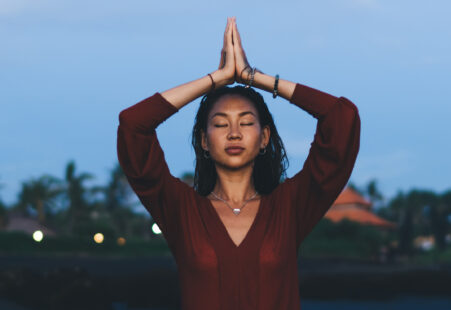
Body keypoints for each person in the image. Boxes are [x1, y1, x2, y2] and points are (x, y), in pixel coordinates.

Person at [117, 16, 360, 310]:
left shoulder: (289, 208)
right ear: (204, 141)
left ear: (264, 137)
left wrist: (253, 77)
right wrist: (215, 80)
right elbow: (133, 125)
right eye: (220, 124)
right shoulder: (182, 211)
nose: (234, 133)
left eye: (245, 123)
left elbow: (342, 118)